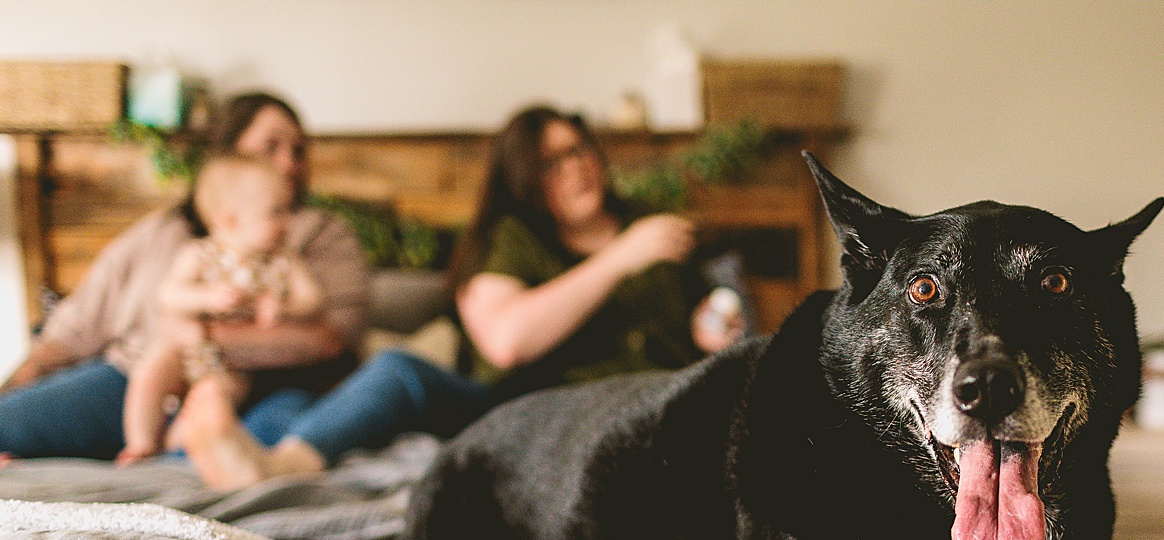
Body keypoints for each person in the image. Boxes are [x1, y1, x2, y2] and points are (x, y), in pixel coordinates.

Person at [181, 104, 746, 491]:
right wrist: (619, 259)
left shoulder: (659, 232)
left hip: (659, 405)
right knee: (401, 371)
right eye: (553, 161)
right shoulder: (511, 241)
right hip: (535, 409)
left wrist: (717, 326)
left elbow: (707, 318)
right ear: (525, 178)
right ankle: (280, 466)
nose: (577, 167)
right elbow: (506, 342)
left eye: (581, 149)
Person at [0, 92, 367, 460]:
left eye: (299, 150)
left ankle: (176, 459)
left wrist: (208, 336)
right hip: (131, 377)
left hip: (256, 385)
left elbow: (333, 338)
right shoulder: (163, 232)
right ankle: (138, 444)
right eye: (271, 146)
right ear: (226, 154)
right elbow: (77, 324)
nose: (288, 163)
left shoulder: (319, 235)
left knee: (224, 448)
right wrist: (20, 380)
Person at [119, 155, 324, 465]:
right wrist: (207, 297)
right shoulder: (200, 255)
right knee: (149, 374)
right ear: (230, 219)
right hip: (183, 352)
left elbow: (313, 300)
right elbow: (168, 295)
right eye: (276, 213)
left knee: (211, 405)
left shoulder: (283, 260)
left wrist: (283, 306)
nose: (288, 222)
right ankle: (141, 442)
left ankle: (174, 451)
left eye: (289, 211)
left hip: (232, 365)